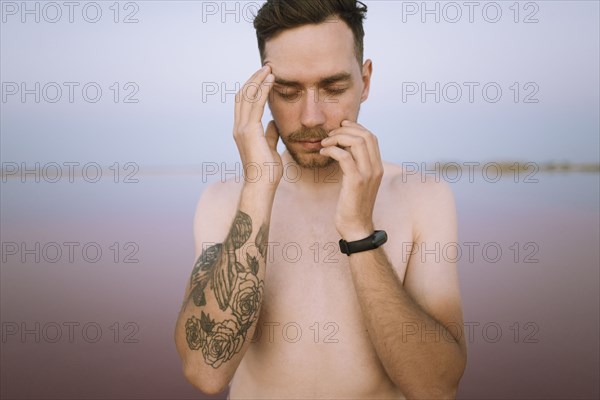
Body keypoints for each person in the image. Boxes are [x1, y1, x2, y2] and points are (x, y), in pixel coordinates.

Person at [174, 1, 467, 398]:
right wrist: (259, 189)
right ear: (259, 94)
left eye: (333, 88)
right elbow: (205, 372)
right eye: (288, 91)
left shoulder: (422, 197)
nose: (311, 117)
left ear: (365, 81)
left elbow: (436, 385)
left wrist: (360, 232)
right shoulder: (224, 201)